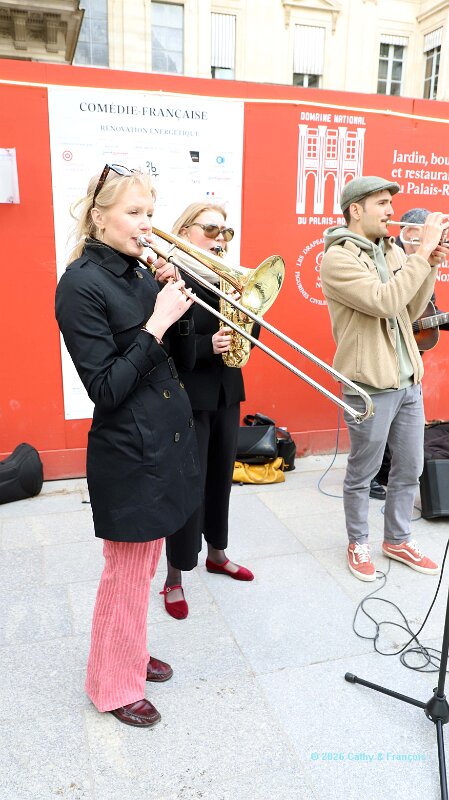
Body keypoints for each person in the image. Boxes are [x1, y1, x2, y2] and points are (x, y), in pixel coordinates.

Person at [55, 164, 202, 726]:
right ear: (100, 218)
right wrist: (155, 323)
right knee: (125, 571)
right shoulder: (79, 285)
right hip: (130, 450)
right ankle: (112, 685)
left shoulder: (140, 272)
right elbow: (106, 388)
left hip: (164, 440)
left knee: (143, 567)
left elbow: (179, 362)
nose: (147, 224)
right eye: (134, 212)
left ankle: (131, 652)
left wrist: (175, 304)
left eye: (150, 213)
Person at [320, 176, 449, 581]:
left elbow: (409, 309)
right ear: (356, 210)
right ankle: (358, 542)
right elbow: (385, 301)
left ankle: (397, 538)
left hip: (408, 380)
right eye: (381, 203)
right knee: (363, 472)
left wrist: (429, 263)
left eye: (390, 203)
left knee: (410, 468)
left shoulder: (390, 249)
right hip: (368, 385)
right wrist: (421, 252)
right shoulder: (337, 259)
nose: (391, 211)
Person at [152, 201, 254, 620]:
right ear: (185, 231)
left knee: (221, 479)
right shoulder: (168, 275)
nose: (220, 238)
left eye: (225, 232)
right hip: (188, 395)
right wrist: (205, 346)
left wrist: (246, 309)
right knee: (186, 485)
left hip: (227, 393)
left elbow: (251, 336)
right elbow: (160, 343)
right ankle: (174, 574)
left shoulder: (228, 276)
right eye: (211, 229)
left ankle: (217, 552)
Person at [371, 207, 449, 498]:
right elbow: (385, 304)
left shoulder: (427, 261)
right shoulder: (388, 258)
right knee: (380, 417)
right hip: (385, 353)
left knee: (401, 420)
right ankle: (372, 476)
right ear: (411, 232)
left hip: (412, 354)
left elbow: (426, 311)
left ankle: (387, 473)